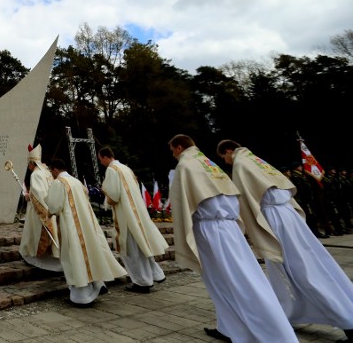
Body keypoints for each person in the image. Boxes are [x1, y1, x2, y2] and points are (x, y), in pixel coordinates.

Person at [216, 140, 353, 340]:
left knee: (301, 272)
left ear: (228, 150)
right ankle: (288, 314)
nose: (226, 162)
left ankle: (346, 319)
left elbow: (246, 201)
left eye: (224, 157)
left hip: (274, 219)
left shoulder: (241, 164)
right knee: (309, 265)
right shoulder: (257, 160)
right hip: (288, 215)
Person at [168, 134, 296, 342]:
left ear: (179, 147)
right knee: (224, 281)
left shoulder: (185, 166)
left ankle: (277, 334)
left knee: (238, 282)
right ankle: (229, 327)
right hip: (229, 227)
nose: (173, 154)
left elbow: (183, 204)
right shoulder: (208, 163)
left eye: (172, 150)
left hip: (210, 230)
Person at [45, 158, 126, 306]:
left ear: (55, 170)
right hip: (86, 225)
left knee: (74, 257)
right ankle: (97, 284)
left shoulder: (59, 183)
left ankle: (81, 297)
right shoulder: (77, 182)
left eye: (51, 171)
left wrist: (49, 211)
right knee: (88, 254)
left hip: (71, 226)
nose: (51, 174)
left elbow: (54, 206)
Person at [98, 146, 168, 293]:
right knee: (141, 246)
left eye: (100, 159)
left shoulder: (111, 170)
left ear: (104, 157)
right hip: (137, 213)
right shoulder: (126, 168)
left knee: (131, 250)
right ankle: (156, 274)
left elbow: (114, 195)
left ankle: (142, 282)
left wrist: (104, 188)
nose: (101, 162)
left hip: (126, 217)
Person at [18, 145, 60, 271]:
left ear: (32, 163)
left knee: (35, 235)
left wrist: (28, 196)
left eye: (28, 163)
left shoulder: (35, 175)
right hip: (51, 208)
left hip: (39, 212)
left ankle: (39, 262)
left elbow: (38, 195)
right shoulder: (47, 172)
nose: (28, 166)